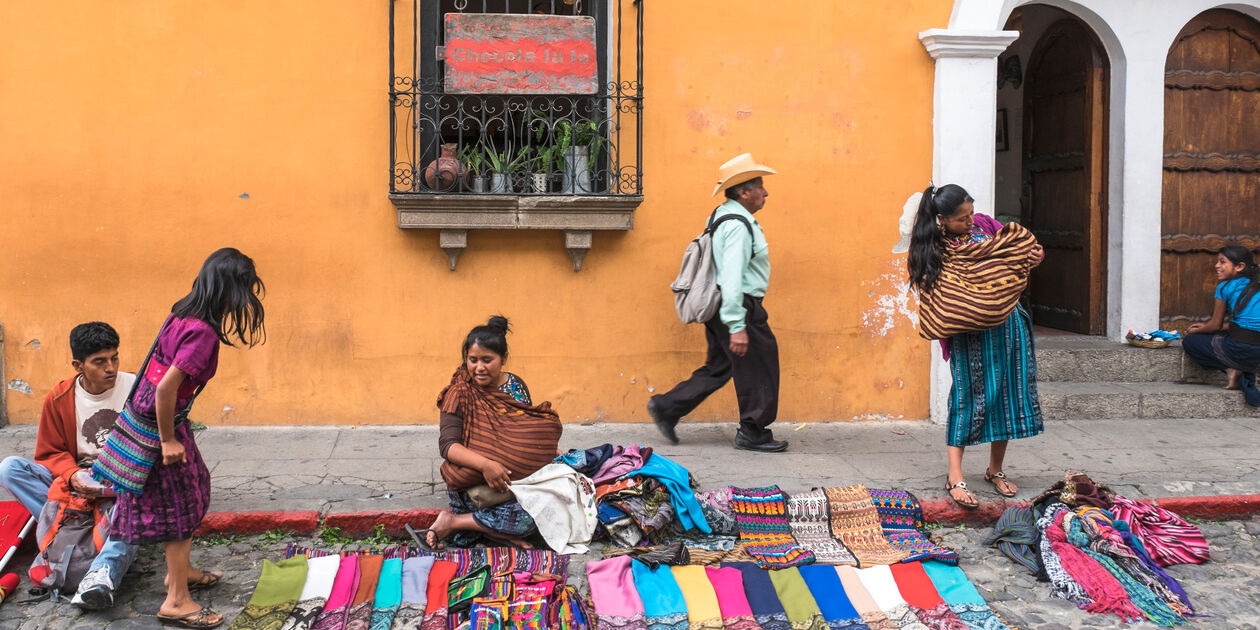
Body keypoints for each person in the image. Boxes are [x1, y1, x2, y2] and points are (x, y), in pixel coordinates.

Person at [93, 248, 265, 629]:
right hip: (160, 424)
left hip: (152, 416)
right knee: (180, 506)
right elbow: (166, 388)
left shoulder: (182, 311)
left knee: (195, 486)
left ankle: (181, 571)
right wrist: (169, 441)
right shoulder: (203, 333)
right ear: (231, 290)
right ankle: (176, 600)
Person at [907, 184, 1045, 509]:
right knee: (968, 398)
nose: (971, 221)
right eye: (961, 219)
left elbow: (1015, 253)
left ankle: (995, 470)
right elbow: (937, 296)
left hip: (1009, 326)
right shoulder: (932, 248)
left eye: (971, 213)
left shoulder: (985, 225)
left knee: (1007, 396)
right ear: (941, 219)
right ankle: (955, 475)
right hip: (970, 335)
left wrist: (1035, 255)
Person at [647, 153, 787, 452]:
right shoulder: (737, 225)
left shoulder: (723, 215)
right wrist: (737, 325)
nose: (765, 191)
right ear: (743, 191)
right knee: (761, 364)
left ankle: (667, 407)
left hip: (727, 306)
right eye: (759, 185)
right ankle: (753, 431)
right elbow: (732, 275)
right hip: (739, 306)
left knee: (720, 367)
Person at [0, 322, 139, 610]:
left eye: (114, 358)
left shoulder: (136, 388)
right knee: (9, 468)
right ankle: (65, 529)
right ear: (78, 365)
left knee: (136, 502)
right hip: (76, 479)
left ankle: (102, 577)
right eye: (99, 362)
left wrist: (117, 477)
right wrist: (73, 474)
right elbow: (49, 452)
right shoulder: (60, 397)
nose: (110, 368)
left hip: (121, 479)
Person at [426, 316, 563, 549]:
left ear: (503, 359)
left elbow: (524, 432)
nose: (479, 368)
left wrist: (544, 453)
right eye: (473, 360)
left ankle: (487, 531)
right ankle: (454, 520)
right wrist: (486, 465)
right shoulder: (459, 393)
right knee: (523, 521)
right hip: (473, 485)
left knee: (551, 509)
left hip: (513, 483)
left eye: (487, 360)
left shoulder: (515, 386)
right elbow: (448, 447)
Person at [1183, 244, 1260, 405]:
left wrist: (1198, 330)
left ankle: (1232, 369)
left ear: (1239, 267)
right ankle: (1246, 369)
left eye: (1222, 262)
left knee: (1191, 342)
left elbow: (1216, 326)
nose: (1217, 266)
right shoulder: (1256, 286)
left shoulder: (1224, 287)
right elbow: (1247, 325)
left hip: (1240, 349)